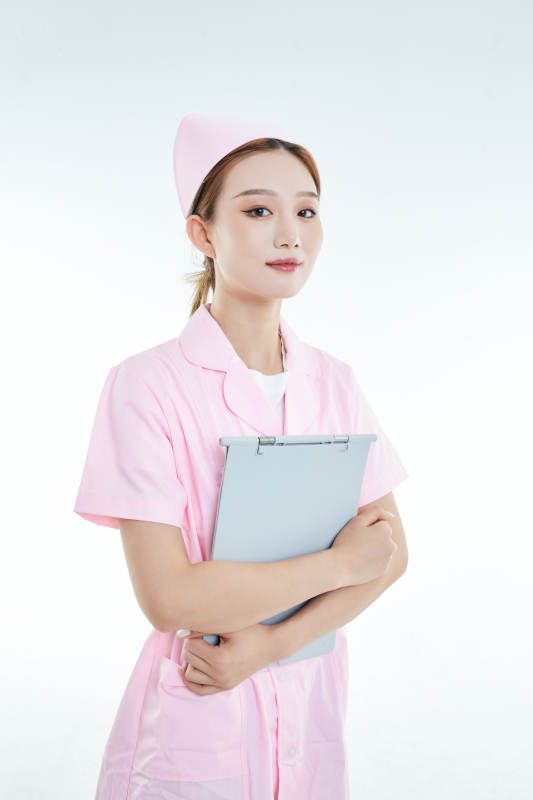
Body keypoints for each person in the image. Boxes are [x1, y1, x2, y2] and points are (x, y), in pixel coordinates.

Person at [73, 112, 409, 800]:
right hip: (200, 706)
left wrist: (270, 646)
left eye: (306, 211)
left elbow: (391, 553)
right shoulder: (147, 385)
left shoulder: (333, 381)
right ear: (202, 234)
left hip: (308, 701)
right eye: (258, 210)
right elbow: (170, 597)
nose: (290, 235)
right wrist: (337, 565)